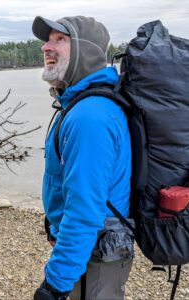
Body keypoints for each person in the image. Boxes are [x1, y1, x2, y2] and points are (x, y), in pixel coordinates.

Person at [32, 16, 134, 300]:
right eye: (47, 39)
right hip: (88, 250)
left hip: (96, 254)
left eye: (60, 39)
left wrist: (55, 285)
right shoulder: (78, 105)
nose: (46, 47)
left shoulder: (90, 116)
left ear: (85, 51)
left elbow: (85, 212)